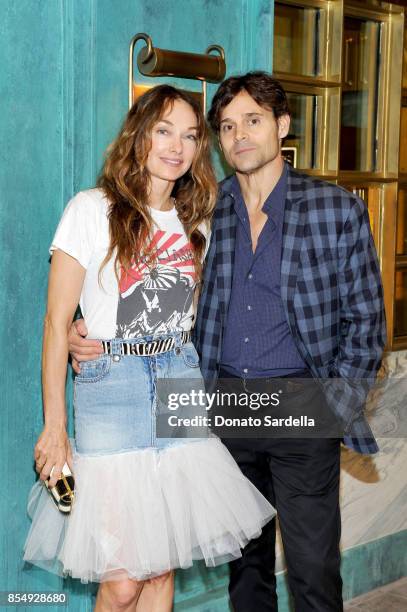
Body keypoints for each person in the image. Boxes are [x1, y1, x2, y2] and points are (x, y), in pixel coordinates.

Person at [68, 73, 386, 611]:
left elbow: (367, 323)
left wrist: (332, 408)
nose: (240, 136)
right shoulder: (203, 213)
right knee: (246, 570)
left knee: (311, 569)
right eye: (227, 126)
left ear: (282, 126)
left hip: (301, 408)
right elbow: (156, 287)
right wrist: (89, 328)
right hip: (223, 409)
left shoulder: (336, 210)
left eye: (253, 121)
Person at [23, 84, 276, 612]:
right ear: (139, 134)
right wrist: (54, 423)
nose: (176, 147)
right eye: (164, 131)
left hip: (179, 380)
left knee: (160, 569)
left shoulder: (195, 220)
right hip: (111, 388)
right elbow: (55, 322)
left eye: (189, 136)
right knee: (122, 580)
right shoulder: (91, 209)